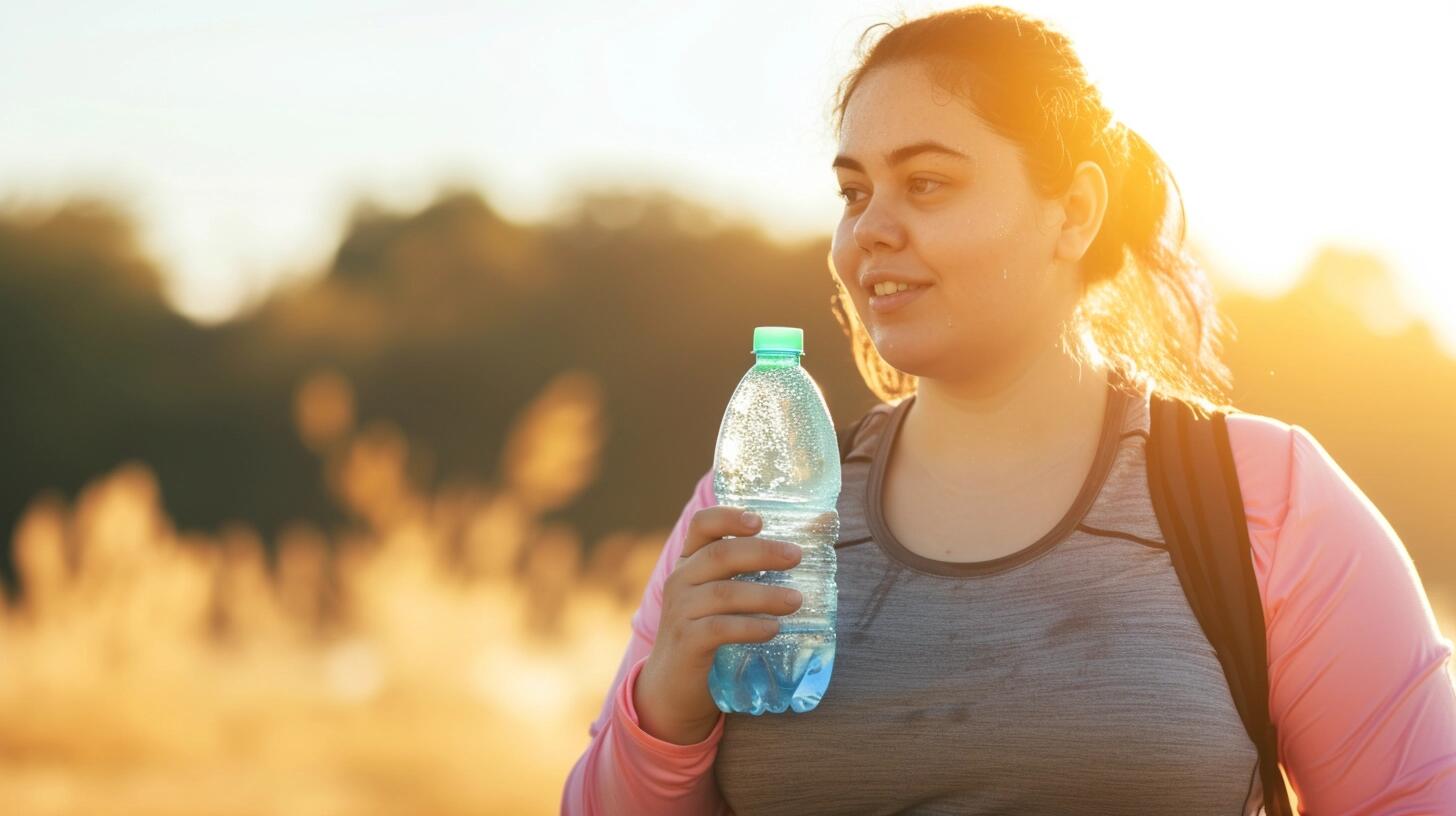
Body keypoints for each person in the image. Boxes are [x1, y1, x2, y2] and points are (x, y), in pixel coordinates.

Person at [561, 5, 1456, 814]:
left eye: (927, 183)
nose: (868, 230)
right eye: (854, 192)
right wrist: (663, 715)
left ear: (1075, 212)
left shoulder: (1266, 498)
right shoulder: (762, 505)